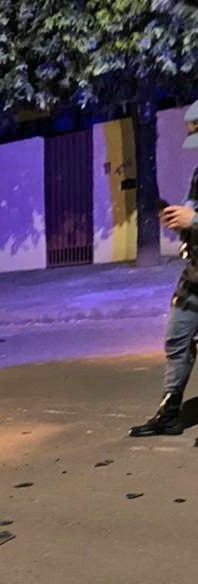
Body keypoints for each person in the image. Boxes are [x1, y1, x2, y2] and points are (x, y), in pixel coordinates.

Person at [130, 100, 198, 438]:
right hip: (195, 274)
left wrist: (195, 219)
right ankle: (169, 414)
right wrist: (180, 220)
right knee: (177, 339)